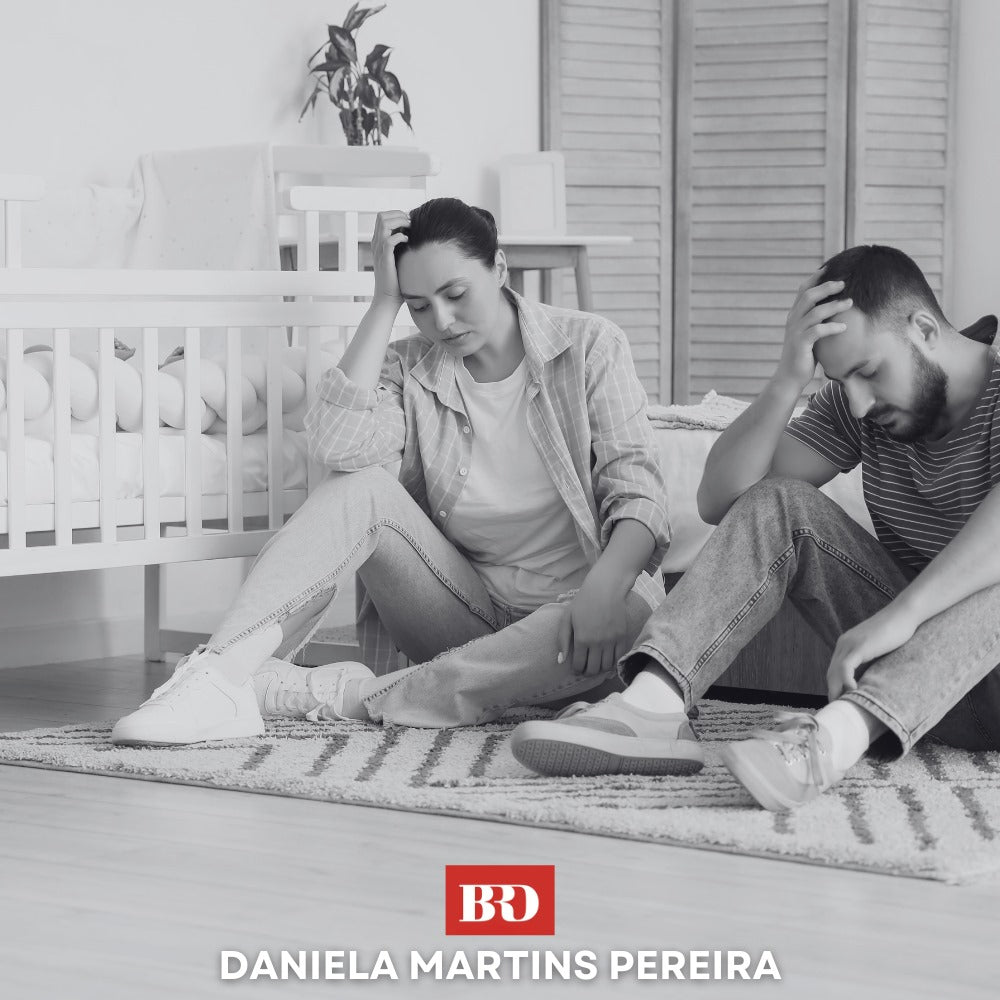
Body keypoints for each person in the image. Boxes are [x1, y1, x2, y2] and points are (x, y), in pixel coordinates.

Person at [111, 197, 669, 746]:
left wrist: (602, 592)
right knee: (361, 486)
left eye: (455, 295)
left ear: (499, 268)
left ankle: (343, 695)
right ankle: (219, 676)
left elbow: (639, 495)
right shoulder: (410, 366)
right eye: (419, 305)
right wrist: (382, 302)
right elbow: (338, 446)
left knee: (633, 603)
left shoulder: (590, 345)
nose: (441, 321)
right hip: (460, 618)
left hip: (581, 626)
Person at [510, 244, 1000, 811]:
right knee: (779, 500)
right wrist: (788, 379)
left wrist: (902, 616)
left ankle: (833, 739)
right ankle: (651, 707)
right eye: (843, 381)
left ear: (924, 329)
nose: (860, 404)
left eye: (869, 371)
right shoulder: (857, 408)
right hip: (926, 688)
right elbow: (722, 498)